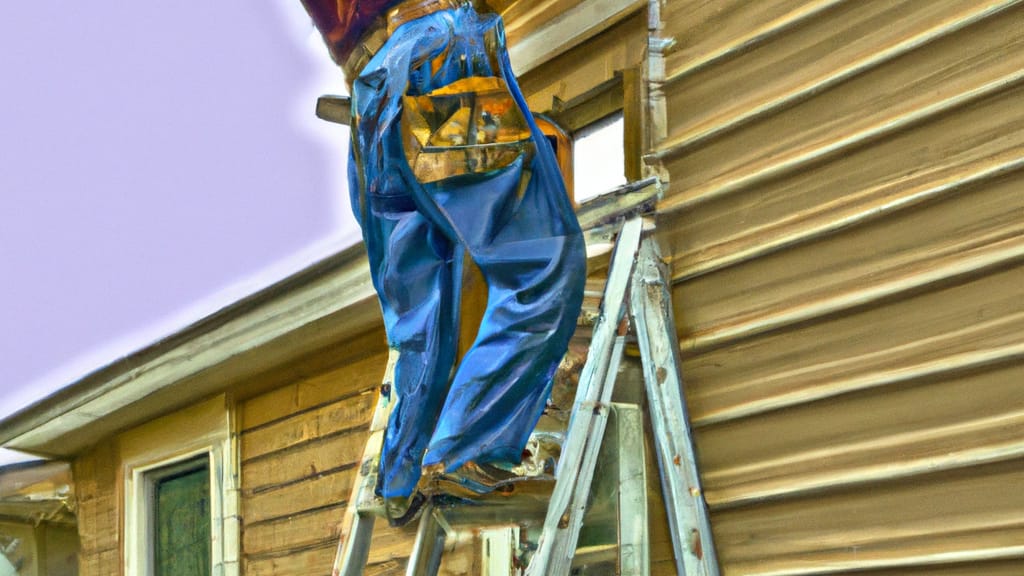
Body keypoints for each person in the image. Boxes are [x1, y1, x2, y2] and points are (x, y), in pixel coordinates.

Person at [298, 0, 586, 524]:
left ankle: (404, 474)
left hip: (371, 92)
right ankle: (465, 452)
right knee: (541, 267)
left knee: (422, 316)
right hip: (438, 58)